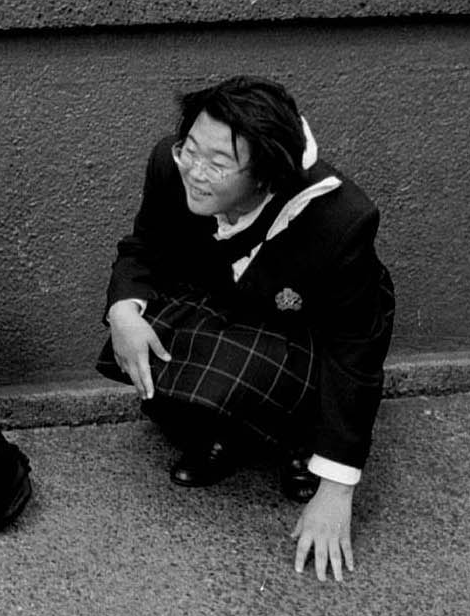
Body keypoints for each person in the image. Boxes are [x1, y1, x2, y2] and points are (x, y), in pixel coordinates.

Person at [103, 76, 394, 582]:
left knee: (246, 373)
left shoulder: (340, 218)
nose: (194, 170)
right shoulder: (169, 165)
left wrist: (336, 489)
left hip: (305, 333)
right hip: (227, 305)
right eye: (189, 148)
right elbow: (143, 249)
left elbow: (355, 350)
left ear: (265, 176)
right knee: (152, 342)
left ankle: (301, 442)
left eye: (217, 164)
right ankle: (226, 432)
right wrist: (122, 314)